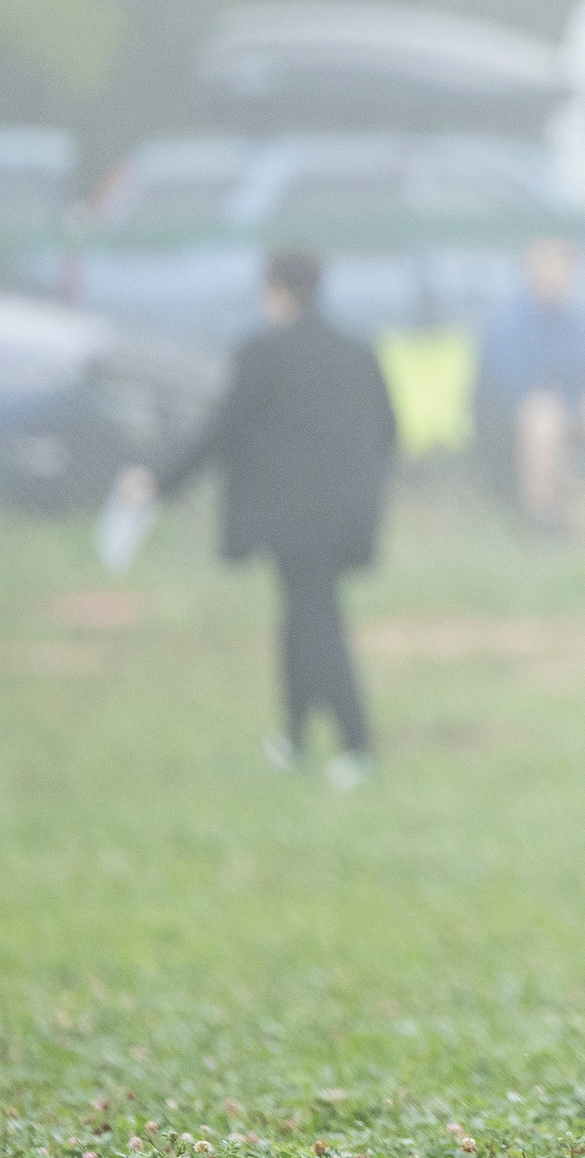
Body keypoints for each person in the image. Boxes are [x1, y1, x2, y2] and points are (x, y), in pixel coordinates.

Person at [118, 250, 396, 788]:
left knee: (316, 622)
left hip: (295, 517)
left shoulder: (262, 353)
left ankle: (356, 744)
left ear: (275, 288)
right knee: (299, 618)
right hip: (346, 514)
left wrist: (157, 483)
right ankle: (294, 738)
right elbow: (389, 429)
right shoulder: (358, 351)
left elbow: (221, 433)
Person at [477, 238, 585, 532]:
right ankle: (543, 518)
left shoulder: (576, 318)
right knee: (544, 417)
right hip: (517, 412)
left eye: (566, 269)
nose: (560, 277)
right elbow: (512, 380)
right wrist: (555, 395)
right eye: (551, 268)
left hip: (570, 404)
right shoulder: (508, 318)